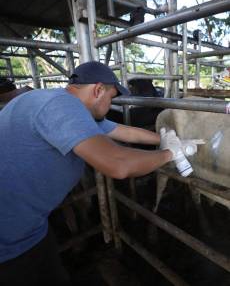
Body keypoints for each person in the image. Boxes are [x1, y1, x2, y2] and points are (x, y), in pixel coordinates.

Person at [0, 61, 194, 285]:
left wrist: (168, 139)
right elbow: (118, 164)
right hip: (8, 242)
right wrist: (171, 154)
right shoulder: (61, 106)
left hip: (30, 228)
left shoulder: (58, 103)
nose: (111, 104)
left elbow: (126, 132)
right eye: (111, 98)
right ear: (98, 90)